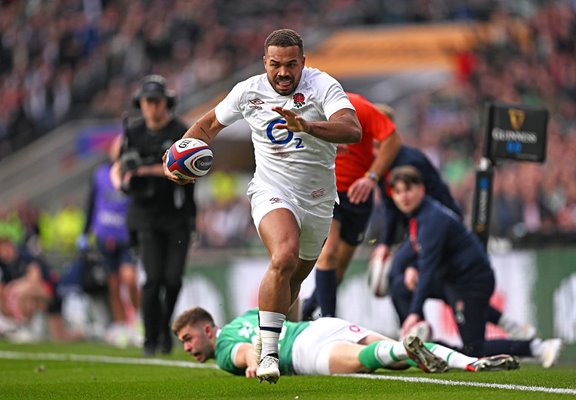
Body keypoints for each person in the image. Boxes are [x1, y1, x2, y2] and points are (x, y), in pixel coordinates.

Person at [163, 28, 362, 383]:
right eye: (275, 65)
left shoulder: (323, 86)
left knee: (295, 280)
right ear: (264, 63)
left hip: (318, 199)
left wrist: (308, 126)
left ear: (303, 62)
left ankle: (265, 336)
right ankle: (268, 353)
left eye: (291, 65)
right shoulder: (247, 91)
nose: (283, 73)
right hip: (272, 190)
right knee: (283, 256)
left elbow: (352, 129)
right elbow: (207, 126)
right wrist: (174, 156)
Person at [370, 104, 536, 342]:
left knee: (433, 281)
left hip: (438, 227)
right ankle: (416, 334)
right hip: (419, 227)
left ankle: (415, 328)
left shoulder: (409, 161)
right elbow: (389, 207)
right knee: (409, 281)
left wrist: (414, 266)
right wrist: (384, 243)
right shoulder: (381, 162)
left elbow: (424, 202)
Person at [388, 165, 563, 368]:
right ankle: (506, 324)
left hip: (470, 282)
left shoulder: (431, 220)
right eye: (398, 192)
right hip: (452, 280)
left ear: (421, 189)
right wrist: (411, 267)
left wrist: (414, 313)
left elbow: (428, 269)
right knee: (400, 285)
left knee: (474, 348)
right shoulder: (420, 216)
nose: (403, 197)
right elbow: (416, 253)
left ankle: (538, 348)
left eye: (408, 189)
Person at [173, 306, 520, 378]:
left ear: (207, 329)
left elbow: (246, 351)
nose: (188, 349)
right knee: (406, 360)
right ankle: (470, 362)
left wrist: (253, 363)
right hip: (320, 327)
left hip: (303, 353)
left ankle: (403, 346)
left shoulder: (221, 350)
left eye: (188, 339)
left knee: (369, 360)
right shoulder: (246, 317)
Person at [112, 74, 196, 356]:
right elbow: (118, 166)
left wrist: (145, 170)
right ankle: (151, 337)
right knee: (152, 280)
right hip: (145, 215)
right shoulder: (132, 132)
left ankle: (163, 327)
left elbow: (188, 169)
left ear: (166, 103)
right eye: (147, 102)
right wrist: (120, 180)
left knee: (173, 279)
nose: (151, 107)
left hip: (177, 215)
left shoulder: (180, 131)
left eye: (156, 101)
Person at [301, 93, 401, 319]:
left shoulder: (367, 117)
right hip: (327, 192)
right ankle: (329, 322)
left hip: (357, 197)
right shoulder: (321, 109)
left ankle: (308, 309)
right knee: (329, 253)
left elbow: (391, 142)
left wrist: (371, 177)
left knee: (339, 270)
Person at [80, 135, 139, 328]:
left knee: (130, 279)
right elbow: (91, 203)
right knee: (113, 285)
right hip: (104, 236)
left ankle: (139, 319)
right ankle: (121, 325)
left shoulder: (134, 175)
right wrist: (85, 232)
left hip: (126, 236)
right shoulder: (99, 174)